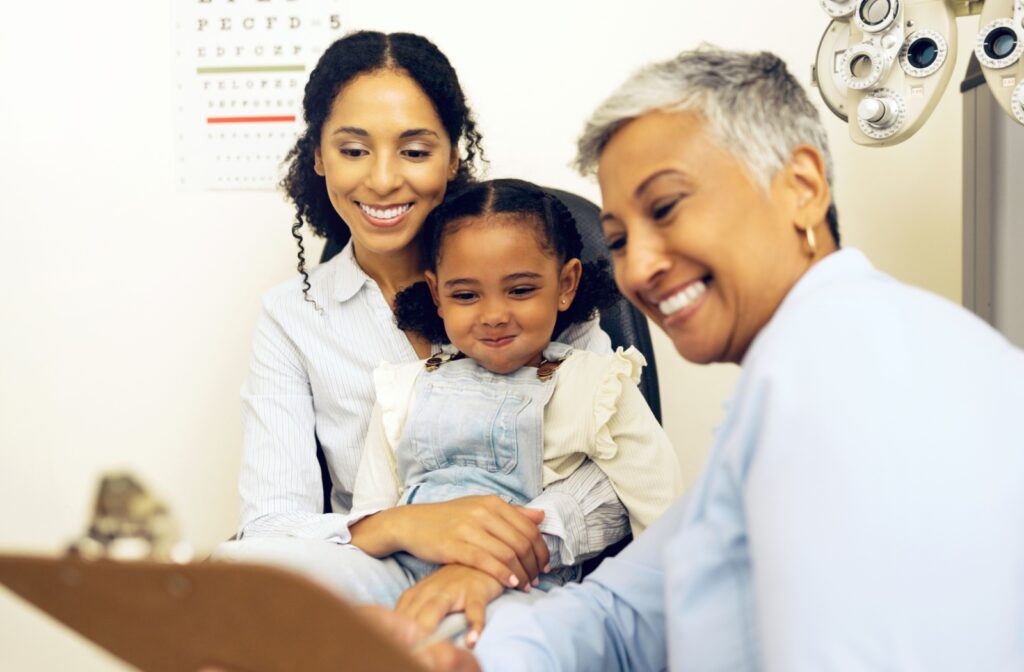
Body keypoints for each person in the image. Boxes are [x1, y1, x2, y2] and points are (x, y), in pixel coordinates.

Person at [410, 47, 1024, 671]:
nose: (640, 268)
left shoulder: (858, 370)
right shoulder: (798, 370)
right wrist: (471, 657)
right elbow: (623, 616)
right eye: (619, 240)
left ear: (802, 188)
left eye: (668, 207)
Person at [213, 31, 631, 601]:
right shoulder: (292, 317)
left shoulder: (534, 279)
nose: (383, 179)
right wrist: (402, 524)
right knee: (232, 569)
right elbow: (272, 526)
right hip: (372, 570)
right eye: (353, 150)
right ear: (318, 156)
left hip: (529, 580)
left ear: (453, 157)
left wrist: (493, 551)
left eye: (414, 150)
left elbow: (617, 474)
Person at [336, 179, 682, 642]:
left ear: (566, 285)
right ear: (436, 294)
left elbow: (667, 525)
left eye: (519, 290)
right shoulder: (404, 389)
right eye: (465, 295)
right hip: (398, 577)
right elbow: (371, 525)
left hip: (523, 594)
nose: (494, 314)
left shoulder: (598, 389)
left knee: (484, 647)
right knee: (283, 573)